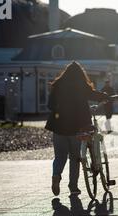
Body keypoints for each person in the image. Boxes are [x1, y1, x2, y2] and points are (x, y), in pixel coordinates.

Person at [45, 61, 109, 196]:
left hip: (59, 127)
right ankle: (73, 187)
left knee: (60, 156)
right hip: (77, 127)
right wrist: (105, 96)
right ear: (80, 74)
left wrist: (60, 110)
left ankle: (56, 176)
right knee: (75, 157)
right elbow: (93, 94)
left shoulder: (57, 85)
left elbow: (50, 105)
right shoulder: (80, 84)